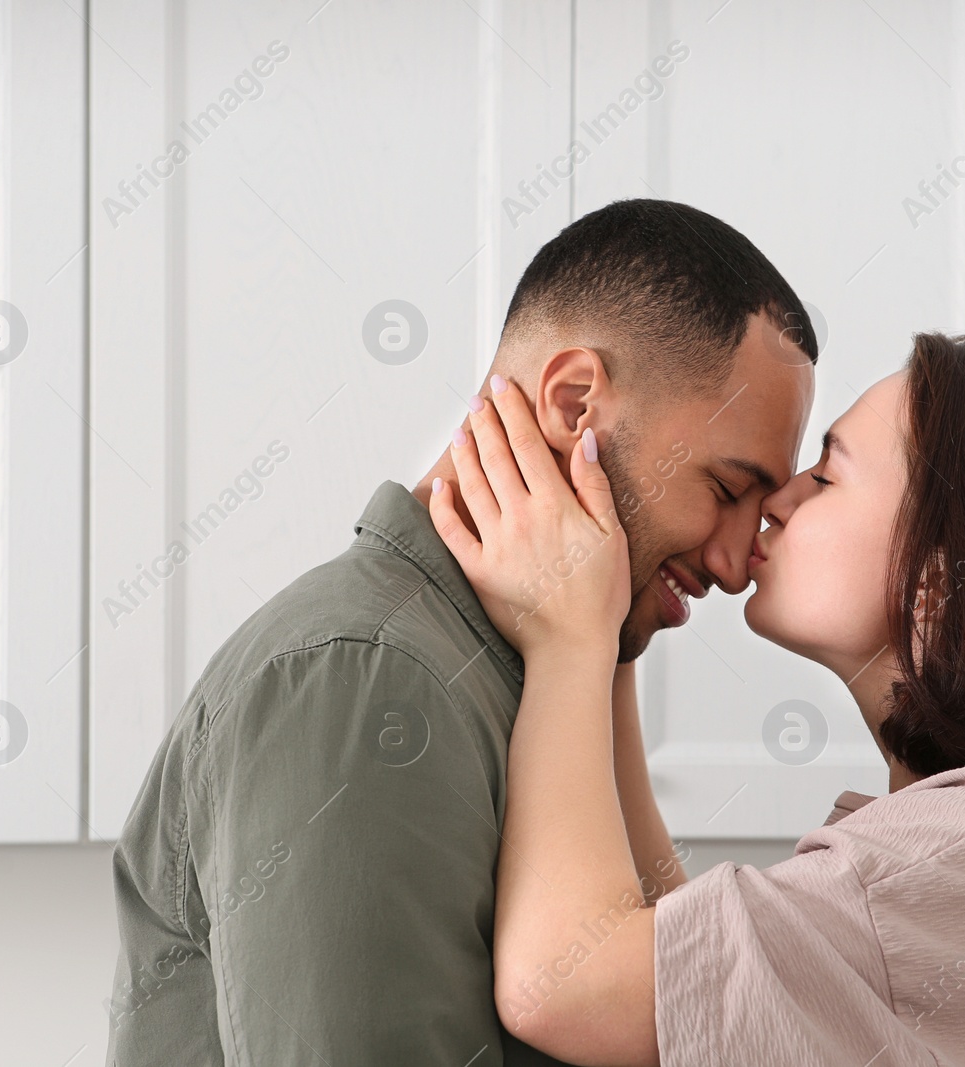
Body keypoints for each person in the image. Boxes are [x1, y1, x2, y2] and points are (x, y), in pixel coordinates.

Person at [105, 198, 819, 1065]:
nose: (743, 559)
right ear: (575, 402)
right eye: (727, 485)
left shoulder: (533, 672)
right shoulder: (367, 678)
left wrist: (594, 647)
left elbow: (665, 1004)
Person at [430, 331, 965, 1066]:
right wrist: (609, 630)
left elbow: (568, 984)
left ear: (942, 571)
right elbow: (695, 987)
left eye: (825, 475)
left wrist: (565, 640)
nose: (776, 504)